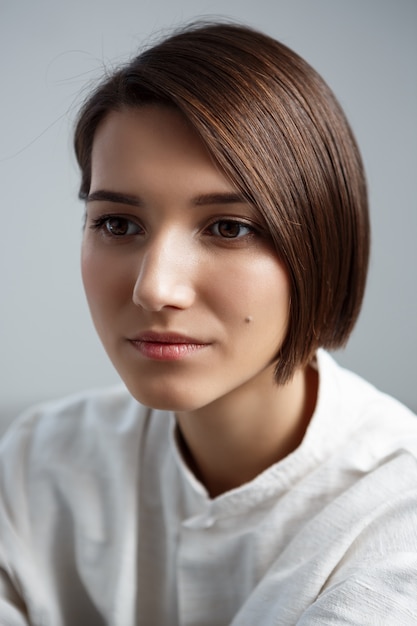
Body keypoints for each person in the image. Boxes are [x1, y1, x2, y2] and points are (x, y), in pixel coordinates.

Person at [0, 21, 416, 626]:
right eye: (117, 224)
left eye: (229, 228)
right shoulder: (39, 462)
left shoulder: (396, 515)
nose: (155, 288)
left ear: (322, 243)